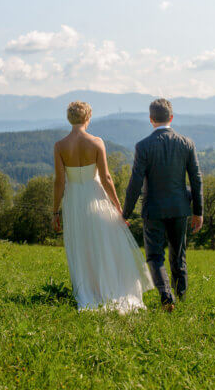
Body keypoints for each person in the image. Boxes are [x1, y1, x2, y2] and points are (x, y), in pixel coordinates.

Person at [53, 101, 154, 314]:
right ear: (88, 118)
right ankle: (109, 286)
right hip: (95, 196)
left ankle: (88, 289)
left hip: (73, 200)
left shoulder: (60, 146)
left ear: (69, 119)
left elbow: (59, 182)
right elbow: (106, 178)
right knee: (104, 242)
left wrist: (55, 211)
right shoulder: (96, 142)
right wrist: (118, 208)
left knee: (82, 245)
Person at [123, 98, 203, 312]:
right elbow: (196, 179)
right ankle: (182, 296)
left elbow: (135, 182)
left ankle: (166, 296)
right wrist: (198, 212)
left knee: (155, 255)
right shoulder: (187, 143)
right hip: (180, 208)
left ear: (151, 119)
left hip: (154, 209)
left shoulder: (143, 146)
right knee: (178, 254)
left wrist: (126, 212)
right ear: (171, 117)